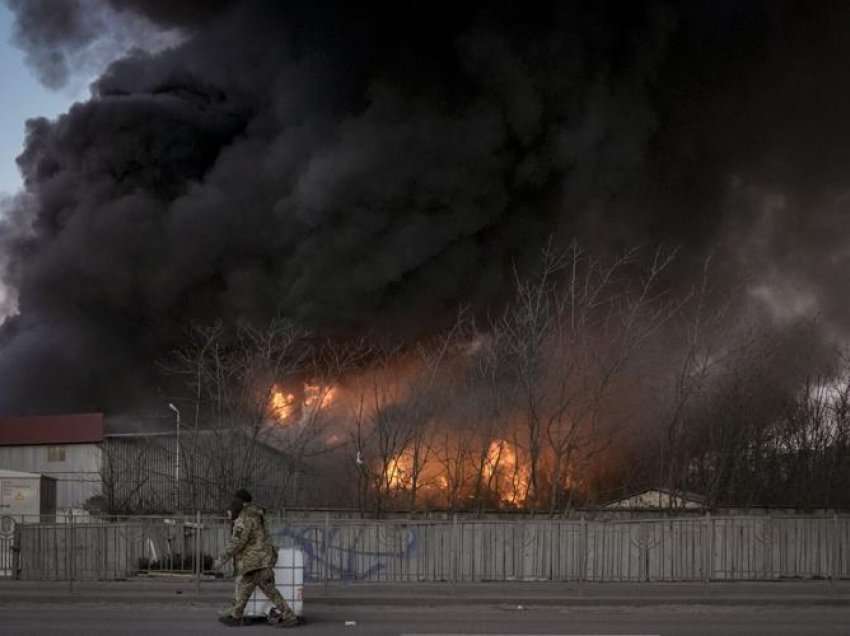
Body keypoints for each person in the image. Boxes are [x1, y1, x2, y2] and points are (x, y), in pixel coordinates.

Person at [214, 489, 298, 627]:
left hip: (255, 561)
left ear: (241, 502)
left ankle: (289, 616)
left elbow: (237, 542)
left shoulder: (244, 517)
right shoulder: (257, 514)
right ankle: (236, 615)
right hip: (261, 558)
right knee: (247, 588)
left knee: (266, 590)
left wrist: (220, 560)